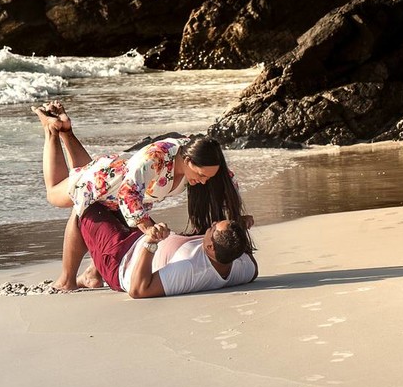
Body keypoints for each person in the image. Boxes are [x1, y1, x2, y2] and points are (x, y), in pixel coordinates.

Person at [35, 101, 253, 292]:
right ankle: (51, 130)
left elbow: (227, 183)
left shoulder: (201, 156)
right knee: (58, 195)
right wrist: (150, 231)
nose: (204, 181)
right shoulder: (155, 157)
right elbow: (127, 194)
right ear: (188, 162)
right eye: (201, 175)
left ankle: (66, 130)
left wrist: (237, 222)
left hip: (121, 192)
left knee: (82, 175)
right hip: (103, 182)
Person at [79, 204, 257, 298]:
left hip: (121, 260)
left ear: (211, 247)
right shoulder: (244, 268)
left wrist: (151, 242)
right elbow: (251, 265)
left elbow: (138, 290)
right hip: (140, 239)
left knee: (86, 204)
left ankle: (69, 280)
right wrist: (239, 229)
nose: (212, 224)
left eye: (212, 228)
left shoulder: (189, 269)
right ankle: (93, 272)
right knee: (112, 196)